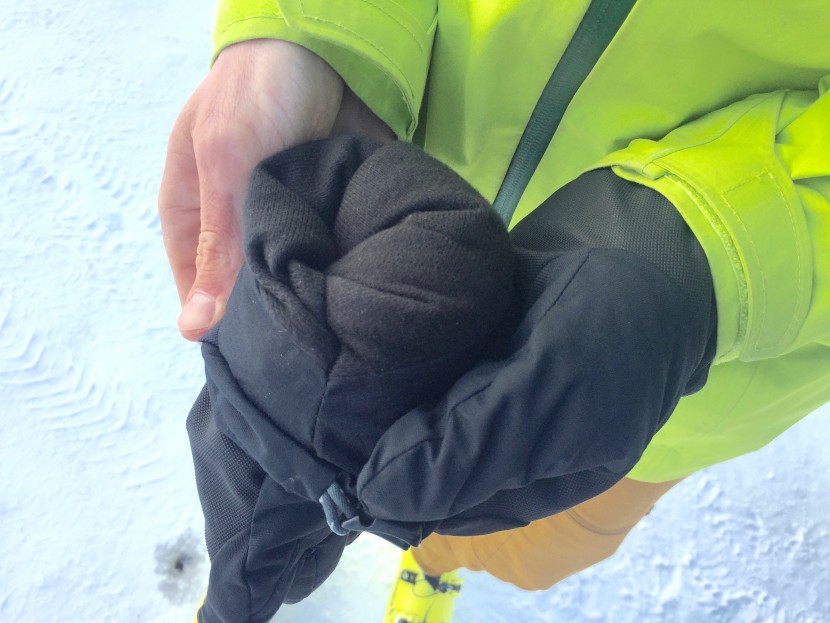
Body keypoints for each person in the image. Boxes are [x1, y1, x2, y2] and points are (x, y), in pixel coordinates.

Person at [158, 2, 830, 622]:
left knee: (526, 540)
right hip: (387, 194)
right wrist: (317, 29)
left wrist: (715, 242)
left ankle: (436, 565)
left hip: (663, 377)